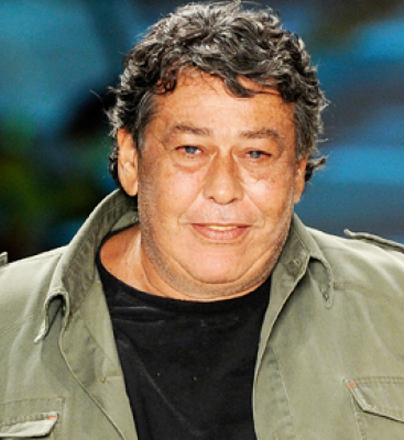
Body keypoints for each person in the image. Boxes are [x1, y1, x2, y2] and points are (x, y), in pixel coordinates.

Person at [1, 1, 404, 439]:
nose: (223, 187)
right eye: (191, 150)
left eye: (256, 154)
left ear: (296, 173)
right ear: (131, 160)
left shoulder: (393, 308)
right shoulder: (9, 322)